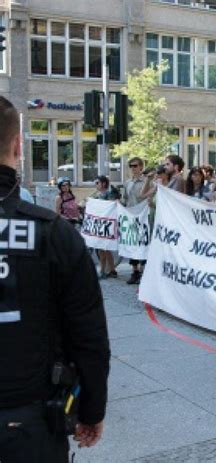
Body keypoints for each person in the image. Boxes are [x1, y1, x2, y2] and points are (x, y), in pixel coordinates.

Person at [0, 96, 110, 461]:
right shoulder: (53, 234)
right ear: (18, 147)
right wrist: (92, 411)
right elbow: (89, 336)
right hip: (29, 427)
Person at [121, 157, 145, 284]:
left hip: (143, 216)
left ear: (141, 167)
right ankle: (135, 271)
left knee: (143, 243)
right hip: (130, 216)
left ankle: (142, 271)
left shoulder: (146, 181)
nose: (133, 168)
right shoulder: (128, 182)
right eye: (130, 166)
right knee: (132, 244)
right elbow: (125, 199)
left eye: (135, 166)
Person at [91, 176, 118, 279]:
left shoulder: (109, 194)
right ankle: (110, 269)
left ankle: (105, 270)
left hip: (107, 224)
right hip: (101, 224)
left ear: (103, 183)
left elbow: (111, 205)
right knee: (103, 249)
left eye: (97, 183)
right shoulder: (97, 194)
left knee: (104, 248)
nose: (96, 185)